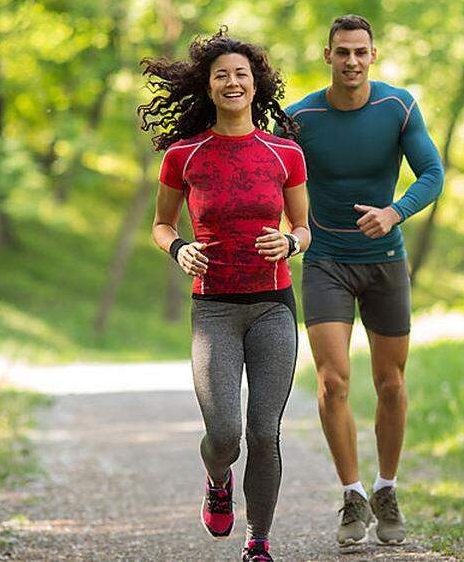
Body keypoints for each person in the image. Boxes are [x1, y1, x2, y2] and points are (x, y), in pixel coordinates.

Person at [140, 28, 310, 562]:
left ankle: (257, 540)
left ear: (256, 84)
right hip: (213, 308)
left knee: (265, 432)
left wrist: (289, 242)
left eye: (241, 73)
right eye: (221, 76)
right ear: (209, 88)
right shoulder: (184, 155)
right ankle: (217, 480)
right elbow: (162, 225)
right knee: (225, 433)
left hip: (272, 305)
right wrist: (178, 250)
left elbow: (306, 228)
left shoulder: (284, 153)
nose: (232, 82)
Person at [280, 14, 444, 550]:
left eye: (360, 52)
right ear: (326, 55)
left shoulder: (397, 107)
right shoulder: (299, 118)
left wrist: (394, 213)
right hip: (326, 259)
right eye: (342, 51)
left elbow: (432, 175)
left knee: (391, 384)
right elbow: (273, 176)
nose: (352, 61)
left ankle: (387, 489)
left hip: (385, 262)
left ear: (374, 55)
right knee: (332, 381)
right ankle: (352, 495)